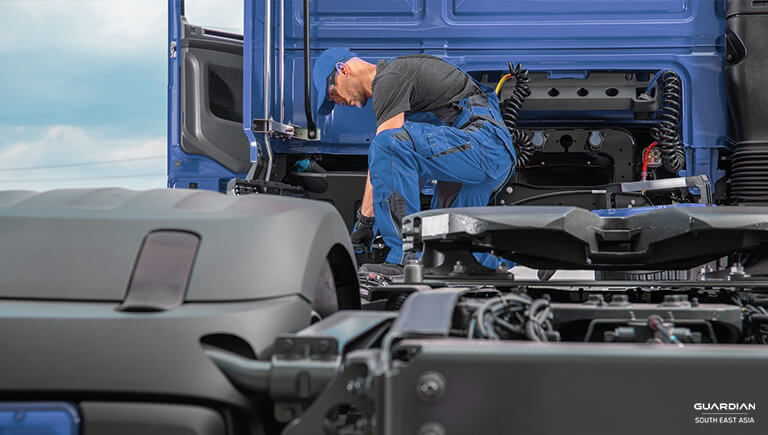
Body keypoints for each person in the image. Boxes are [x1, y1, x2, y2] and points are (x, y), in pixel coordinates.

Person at [312, 48, 516, 276]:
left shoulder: (389, 77)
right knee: (448, 251)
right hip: (479, 157)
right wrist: (388, 215)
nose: (337, 102)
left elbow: (388, 152)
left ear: (344, 70)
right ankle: (531, 256)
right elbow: (405, 172)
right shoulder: (399, 88)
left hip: (483, 146)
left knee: (386, 144)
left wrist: (365, 222)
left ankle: (403, 258)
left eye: (333, 93)